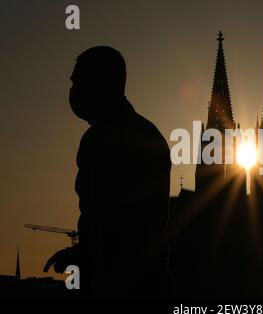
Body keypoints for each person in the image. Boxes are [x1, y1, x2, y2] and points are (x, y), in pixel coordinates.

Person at [44, 46, 172, 298]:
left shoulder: (107, 138)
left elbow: (120, 223)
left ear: (102, 85)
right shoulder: (138, 132)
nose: (73, 91)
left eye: (79, 82)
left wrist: (83, 253)